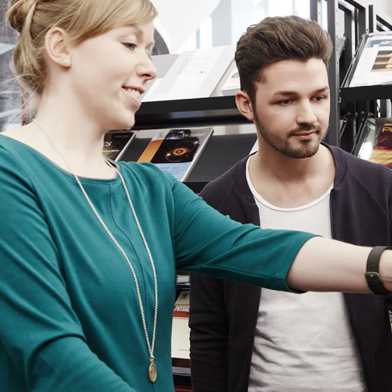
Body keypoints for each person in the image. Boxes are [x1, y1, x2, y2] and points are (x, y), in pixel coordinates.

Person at [0, 2, 391, 391]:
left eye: (149, 50)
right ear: (60, 47)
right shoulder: (10, 172)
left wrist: (382, 265)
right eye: (130, 45)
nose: (150, 68)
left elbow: (260, 249)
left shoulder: (149, 188)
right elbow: (50, 355)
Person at [189, 15, 392, 392]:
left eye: (319, 97)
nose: (308, 117)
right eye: (285, 101)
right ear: (246, 104)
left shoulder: (380, 188)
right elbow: (208, 331)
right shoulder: (216, 202)